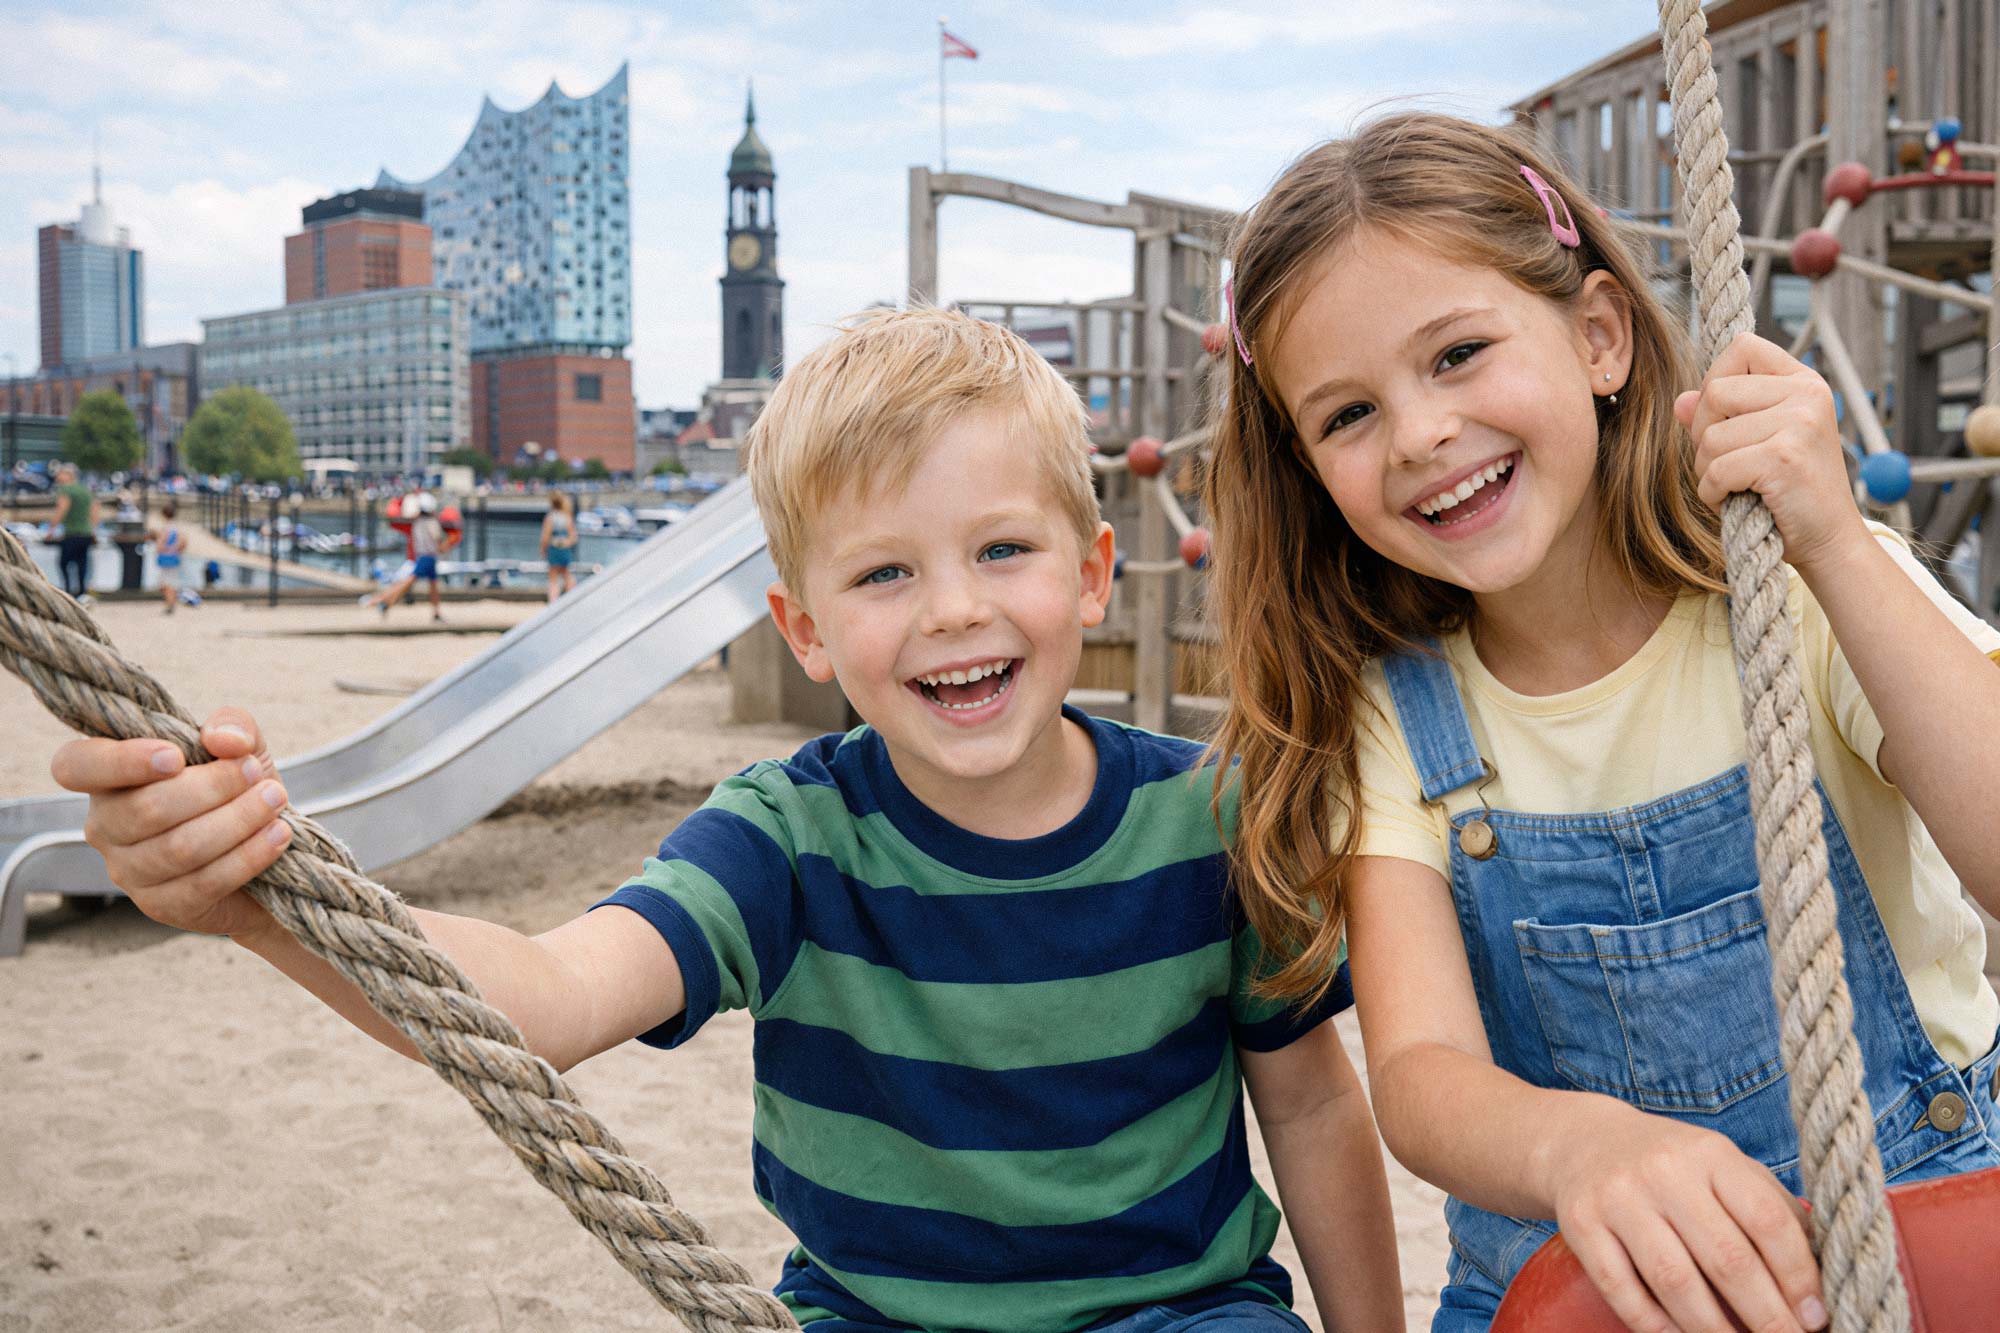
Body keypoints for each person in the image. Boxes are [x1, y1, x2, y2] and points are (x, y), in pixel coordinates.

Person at [52, 308, 1404, 1333]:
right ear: (806, 630)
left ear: (1095, 572)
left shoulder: (1210, 817)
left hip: (1174, 1314)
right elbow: (547, 997)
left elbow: (1310, 1102)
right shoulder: (791, 837)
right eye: (885, 572)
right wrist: (264, 897)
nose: (952, 609)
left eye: (1002, 549)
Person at [1201, 112, 2000, 1333]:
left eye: (1457, 352)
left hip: (1914, 1225)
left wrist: (1834, 542)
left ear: (1597, 336)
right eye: (1346, 416)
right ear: (1306, 468)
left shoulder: (1796, 596)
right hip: (1577, 1278)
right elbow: (1418, 1075)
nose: (1418, 433)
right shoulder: (1390, 713)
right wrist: (1577, 1147)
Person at [362, 492, 457, 622]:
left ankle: (436, 613)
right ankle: (384, 602)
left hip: (421, 555)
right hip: (428, 557)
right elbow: (438, 541)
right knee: (408, 582)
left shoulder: (416, 522)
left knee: (431, 586)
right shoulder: (431, 522)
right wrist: (448, 543)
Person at [49, 462, 97, 601]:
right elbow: (94, 511)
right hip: (86, 533)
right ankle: (82, 592)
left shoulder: (65, 491)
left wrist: (51, 529)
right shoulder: (86, 491)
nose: (57, 476)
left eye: (60, 473)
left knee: (64, 563)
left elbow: (61, 510)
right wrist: (93, 528)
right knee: (82, 564)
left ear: (68, 475)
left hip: (72, 532)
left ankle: (68, 591)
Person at [149, 501, 186, 614]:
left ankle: (169, 605)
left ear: (163, 514)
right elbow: (183, 542)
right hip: (175, 558)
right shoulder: (177, 528)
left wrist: (161, 548)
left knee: (165, 583)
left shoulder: (165, 529)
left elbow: (160, 545)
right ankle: (172, 603)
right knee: (172, 582)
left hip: (166, 559)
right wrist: (176, 550)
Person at [540, 492, 577, 602]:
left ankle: (553, 601)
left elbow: (545, 536)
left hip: (554, 548)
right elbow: (573, 537)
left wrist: (543, 549)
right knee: (566, 574)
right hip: (565, 548)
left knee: (553, 577)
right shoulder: (567, 517)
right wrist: (566, 543)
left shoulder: (550, 517)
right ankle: (572, 598)